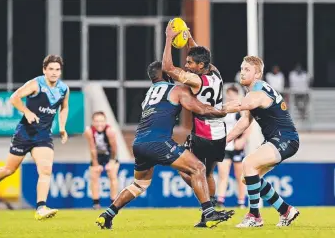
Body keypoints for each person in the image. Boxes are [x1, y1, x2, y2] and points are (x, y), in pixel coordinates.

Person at [96, 61, 236, 230]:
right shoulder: (176, 89)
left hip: (139, 143)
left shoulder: (149, 94)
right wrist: (224, 110)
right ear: (167, 75)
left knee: (139, 184)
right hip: (159, 142)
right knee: (198, 167)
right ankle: (209, 212)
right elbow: (201, 109)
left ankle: (108, 215)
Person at [226, 56, 300, 228]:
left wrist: (216, 109)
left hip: (285, 139)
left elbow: (242, 105)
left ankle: (254, 216)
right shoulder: (252, 92)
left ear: (258, 74)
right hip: (278, 139)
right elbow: (244, 122)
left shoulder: (258, 92)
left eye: (247, 70)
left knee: (249, 163)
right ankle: (286, 211)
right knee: (249, 177)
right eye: (242, 68)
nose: (242, 73)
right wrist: (224, 140)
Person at [0, 55, 69, 220]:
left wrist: (62, 127)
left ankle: (41, 207)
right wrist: (27, 112)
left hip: (43, 135)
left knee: (45, 170)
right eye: (51, 69)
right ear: (44, 70)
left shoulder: (64, 89)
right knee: (9, 169)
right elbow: (14, 98)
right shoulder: (36, 84)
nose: (54, 73)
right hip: (24, 133)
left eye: (57, 69)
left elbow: (64, 108)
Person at [162, 23, 226, 208]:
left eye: (190, 63)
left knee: (185, 169)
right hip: (219, 133)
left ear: (201, 65)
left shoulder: (195, 80)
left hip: (203, 133)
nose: (186, 65)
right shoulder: (216, 73)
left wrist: (168, 38)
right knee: (207, 173)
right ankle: (212, 208)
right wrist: (188, 36)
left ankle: (208, 206)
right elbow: (198, 53)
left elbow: (167, 67)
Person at [217, 86, 250, 208]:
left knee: (240, 175)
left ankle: (241, 201)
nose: (230, 97)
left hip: (237, 146)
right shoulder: (223, 109)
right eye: (228, 95)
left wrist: (243, 139)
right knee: (222, 173)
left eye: (233, 95)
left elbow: (248, 125)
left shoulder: (242, 109)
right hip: (225, 146)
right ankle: (220, 201)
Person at [83, 111, 119, 210]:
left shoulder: (110, 131)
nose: (99, 124)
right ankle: (96, 203)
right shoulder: (89, 131)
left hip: (109, 154)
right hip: (97, 155)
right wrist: (95, 163)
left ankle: (114, 203)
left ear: (105, 122)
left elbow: (114, 148)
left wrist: (111, 162)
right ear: (93, 122)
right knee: (94, 175)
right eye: (97, 121)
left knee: (112, 175)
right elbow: (92, 148)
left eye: (102, 121)